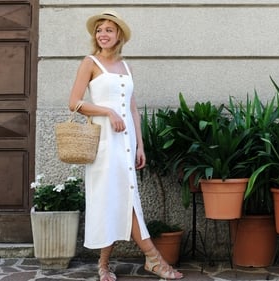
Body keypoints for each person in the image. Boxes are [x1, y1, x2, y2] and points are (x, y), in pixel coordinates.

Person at [68, 10, 183, 281]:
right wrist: (108, 112)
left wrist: (140, 146)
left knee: (124, 198)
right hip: (105, 145)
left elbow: (133, 111)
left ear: (119, 34)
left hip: (127, 143)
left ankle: (104, 265)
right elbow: (74, 102)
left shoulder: (126, 66)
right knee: (117, 199)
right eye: (99, 30)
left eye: (109, 29)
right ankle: (153, 258)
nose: (103, 34)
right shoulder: (90, 62)